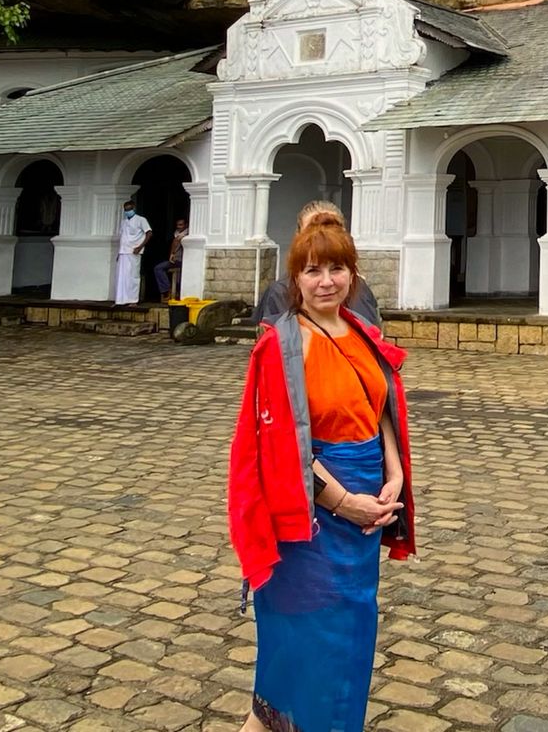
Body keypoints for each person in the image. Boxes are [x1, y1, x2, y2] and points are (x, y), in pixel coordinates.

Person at [227, 211, 416, 732]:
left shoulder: (361, 332)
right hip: (309, 515)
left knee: (350, 638)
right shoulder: (282, 345)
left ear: (352, 275)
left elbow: (380, 409)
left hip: (364, 512)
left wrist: (394, 475)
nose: (326, 281)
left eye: (336, 268)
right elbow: (280, 444)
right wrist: (340, 500)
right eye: (312, 271)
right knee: (306, 638)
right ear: (296, 280)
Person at [254, 200, 383, 327]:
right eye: (313, 232)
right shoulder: (280, 292)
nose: (323, 240)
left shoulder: (361, 290)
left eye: (331, 231)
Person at [115, 199, 152, 304]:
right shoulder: (124, 222)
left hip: (134, 251)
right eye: (126, 210)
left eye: (129, 209)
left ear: (134, 208)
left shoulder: (141, 220)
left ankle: (133, 300)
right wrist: (119, 252)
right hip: (123, 252)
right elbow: (123, 236)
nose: (127, 211)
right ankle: (121, 299)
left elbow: (149, 233)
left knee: (133, 276)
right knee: (122, 276)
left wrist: (140, 247)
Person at [154, 217, 187, 301]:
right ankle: (166, 290)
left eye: (181, 225)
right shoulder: (176, 233)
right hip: (176, 260)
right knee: (158, 268)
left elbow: (176, 240)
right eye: (177, 225)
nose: (178, 227)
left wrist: (172, 254)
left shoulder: (188, 232)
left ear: (186, 225)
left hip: (185, 261)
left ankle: (175, 291)